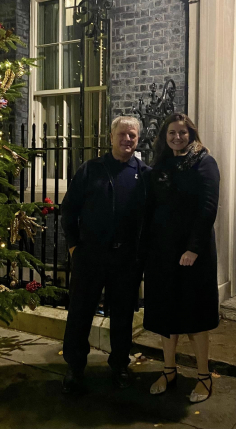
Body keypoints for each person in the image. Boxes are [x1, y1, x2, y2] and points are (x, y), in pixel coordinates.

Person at [60, 116, 150, 393]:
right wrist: (74, 246)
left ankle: (120, 365)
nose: (127, 139)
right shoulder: (91, 170)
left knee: (123, 316)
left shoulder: (145, 174)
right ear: (110, 137)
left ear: (138, 139)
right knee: (80, 314)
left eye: (132, 135)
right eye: (122, 134)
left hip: (126, 260)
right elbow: (68, 210)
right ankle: (75, 368)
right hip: (90, 256)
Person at [142, 112, 220, 403]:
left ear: (191, 134)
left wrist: (194, 248)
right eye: (172, 133)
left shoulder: (204, 162)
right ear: (165, 137)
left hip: (193, 252)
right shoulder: (160, 165)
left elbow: (208, 207)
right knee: (166, 314)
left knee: (195, 315)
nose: (177, 137)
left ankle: (203, 375)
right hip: (162, 250)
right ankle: (169, 369)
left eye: (182, 133)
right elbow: (151, 207)